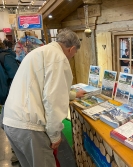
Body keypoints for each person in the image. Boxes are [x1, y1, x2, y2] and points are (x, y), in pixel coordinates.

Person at [3, 28, 86, 167]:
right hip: (30, 125)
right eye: (75, 53)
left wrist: (73, 94)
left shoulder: (39, 52)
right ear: (71, 49)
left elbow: (41, 86)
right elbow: (53, 99)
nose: (73, 56)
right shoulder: (59, 58)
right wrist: (54, 135)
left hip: (11, 120)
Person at [0, 40, 20, 163]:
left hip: (12, 99)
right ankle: (16, 150)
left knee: (10, 125)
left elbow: (18, 77)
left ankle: (18, 152)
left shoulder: (6, 57)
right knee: (5, 124)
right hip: (6, 99)